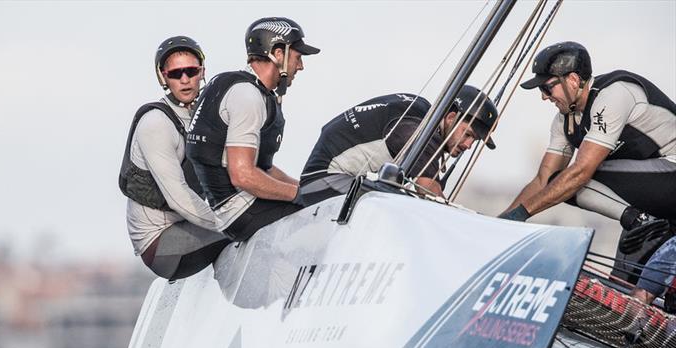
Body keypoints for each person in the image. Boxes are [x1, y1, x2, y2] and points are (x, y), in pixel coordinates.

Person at [500, 42, 676, 269]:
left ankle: (641, 221)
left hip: (671, 169)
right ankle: (643, 222)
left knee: (570, 179)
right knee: (625, 288)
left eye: (547, 88)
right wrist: (503, 222)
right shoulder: (564, 120)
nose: (544, 97)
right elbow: (542, 180)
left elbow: (580, 173)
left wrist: (521, 214)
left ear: (572, 80)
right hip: (651, 193)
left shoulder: (613, 94)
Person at [186, 17, 320, 242]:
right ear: (278, 53)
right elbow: (243, 175)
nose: (301, 66)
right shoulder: (247, 96)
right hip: (241, 212)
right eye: (297, 57)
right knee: (324, 220)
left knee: (320, 202)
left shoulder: (239, 86)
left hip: (238, 208)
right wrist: (299, 194)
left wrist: (309, 189)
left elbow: (262, 169)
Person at [118, 36, 229, 280]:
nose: (185, 79)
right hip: (162, 246)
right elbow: (178, 197)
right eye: (176, 73)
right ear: (163, 77)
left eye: (191, 71)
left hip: (188, 226)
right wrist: (227, 223)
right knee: (242, 229)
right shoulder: (156, 124)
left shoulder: (202, 116)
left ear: (202, 71)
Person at [297, 86, 498, 206]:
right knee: (398, 208)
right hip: (321, 185)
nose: (469, 145)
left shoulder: (419, 110)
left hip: (324, 182)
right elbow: (428, 189)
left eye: (475, 140)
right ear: (451, 117)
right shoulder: (420, 129)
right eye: (468, 134)